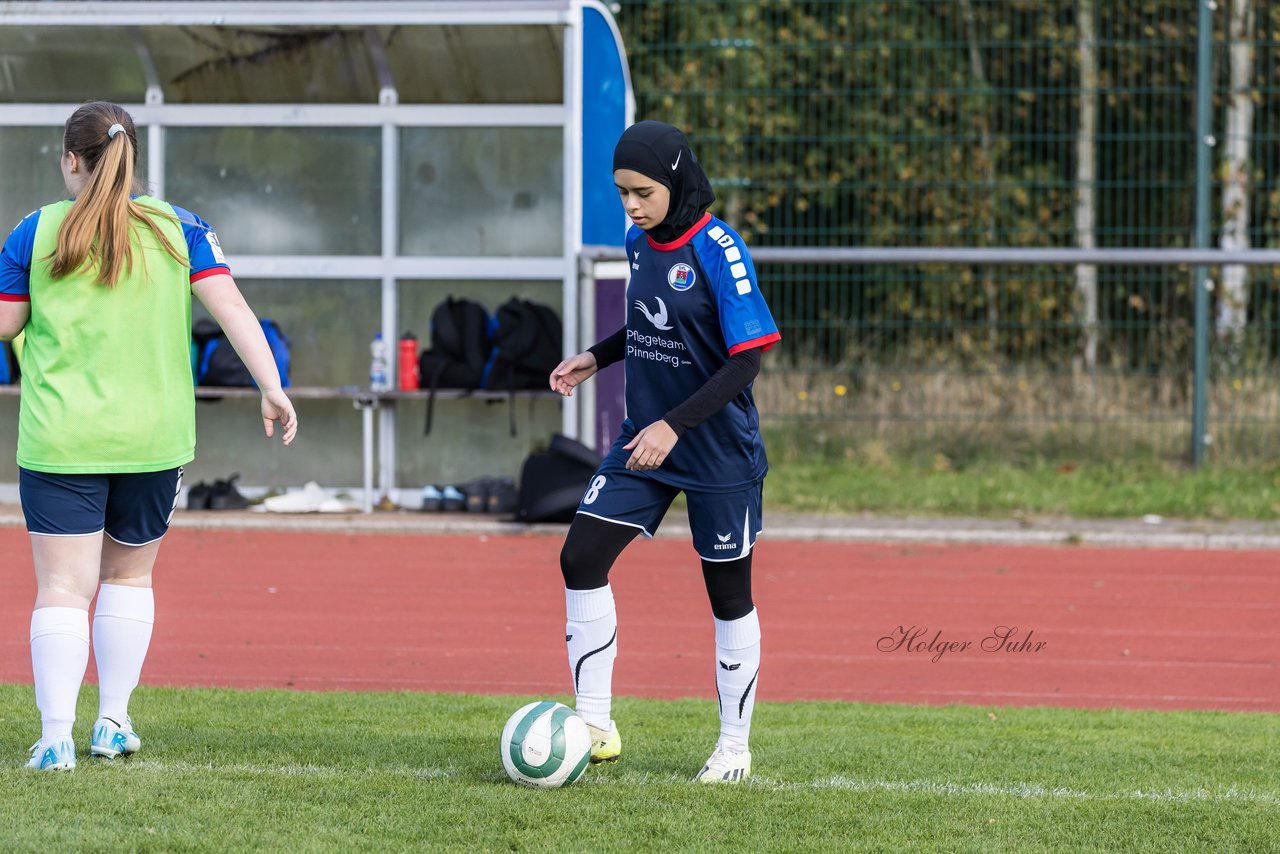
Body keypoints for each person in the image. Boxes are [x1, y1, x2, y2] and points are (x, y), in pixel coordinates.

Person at [0, 102, 298, 771]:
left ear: (70, 160)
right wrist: (271, 386)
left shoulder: (34, 231)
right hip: (153, 439)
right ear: (131, 156)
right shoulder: (180, 228)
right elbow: (234, 310)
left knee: (62, 591)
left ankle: (54, 740)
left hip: (61, 439)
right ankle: (111, 724)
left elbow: (5, 326)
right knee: (129, 577)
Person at [549, 120, 780, 784]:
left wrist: (675, 426)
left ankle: (733, 747)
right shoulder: (638, 242)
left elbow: (748, 358)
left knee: (728, 594)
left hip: (716, 451)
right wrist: (596, 356)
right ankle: (594, 724)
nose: (632, 206)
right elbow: (653, 319)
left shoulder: (718, 248)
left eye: (643, 192)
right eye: (622, 193)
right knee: (580, 555)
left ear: (675, 183)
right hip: (645, 439)